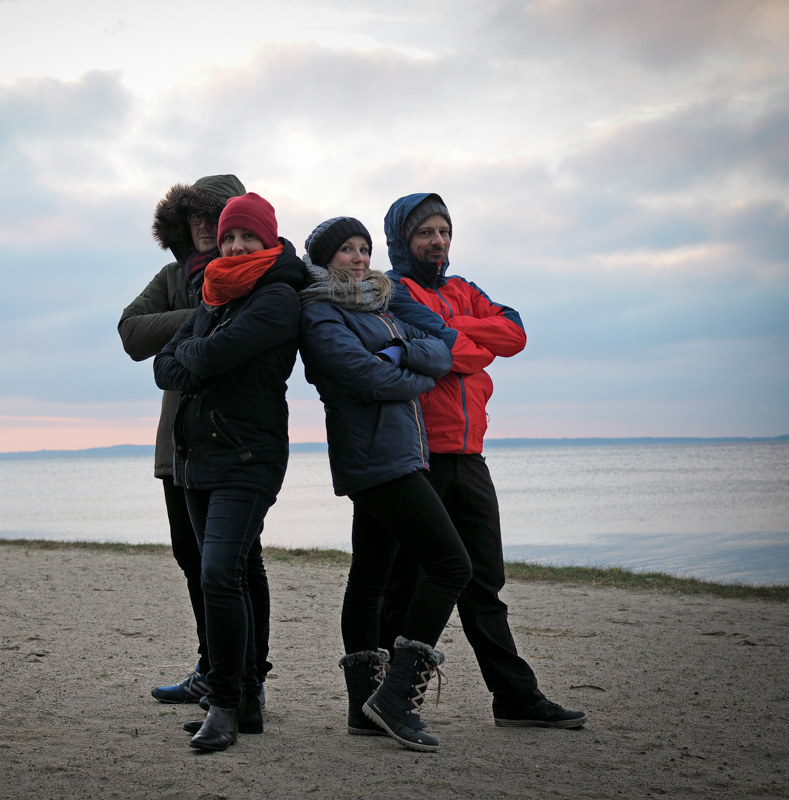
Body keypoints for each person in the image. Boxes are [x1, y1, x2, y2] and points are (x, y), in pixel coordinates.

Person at [380, 192, 587, 729]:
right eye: (425, 231)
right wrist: (469, 342)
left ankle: (515, 700)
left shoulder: (465, 289)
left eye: (445, 231)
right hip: (417, 458)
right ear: (404, 238)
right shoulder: (394, 291)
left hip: (470, 459)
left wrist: (458, 335)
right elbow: (453, 352)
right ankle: (386, 698)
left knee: (484, 583)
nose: (438, 241)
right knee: (404, 583)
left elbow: (513, 335)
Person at [298, 217, 470, 752]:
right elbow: (368, 378)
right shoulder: (318, 313)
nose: (358, 257)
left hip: (399, 456)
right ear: (325, 261)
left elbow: (441, 351)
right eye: (346, 249)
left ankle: (361, 710)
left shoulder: (382, 305)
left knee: (369, 580)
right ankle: (394, 698)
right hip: (376, 461)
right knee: (451, 566)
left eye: (364, 247)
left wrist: (399, 355)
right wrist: (409, 371)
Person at [153, 192, 305, 751]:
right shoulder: (212, 295)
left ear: (268, 239)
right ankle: (245, 696)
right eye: (229, 237)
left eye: (247, 237)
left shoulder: (277, 297)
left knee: (219, 574)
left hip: (247, 456)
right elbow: (163, 366)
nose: (236, 245)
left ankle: (222, 704)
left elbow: (202, 359)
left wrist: (197, 353)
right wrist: (198, 351)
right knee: (236, 572)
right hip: (197, 459)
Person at [118, 175, 272, 705]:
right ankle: (212, 666)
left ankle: (248, 678)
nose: (205, 227)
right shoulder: (172, 277)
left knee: (236, 564)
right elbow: (131, 334)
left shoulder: (263, 279)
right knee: (192, 559)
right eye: (195, 218)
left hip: (234, 445)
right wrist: (203, 311)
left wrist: (210, 317)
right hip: (177, 447)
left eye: (215, 215)